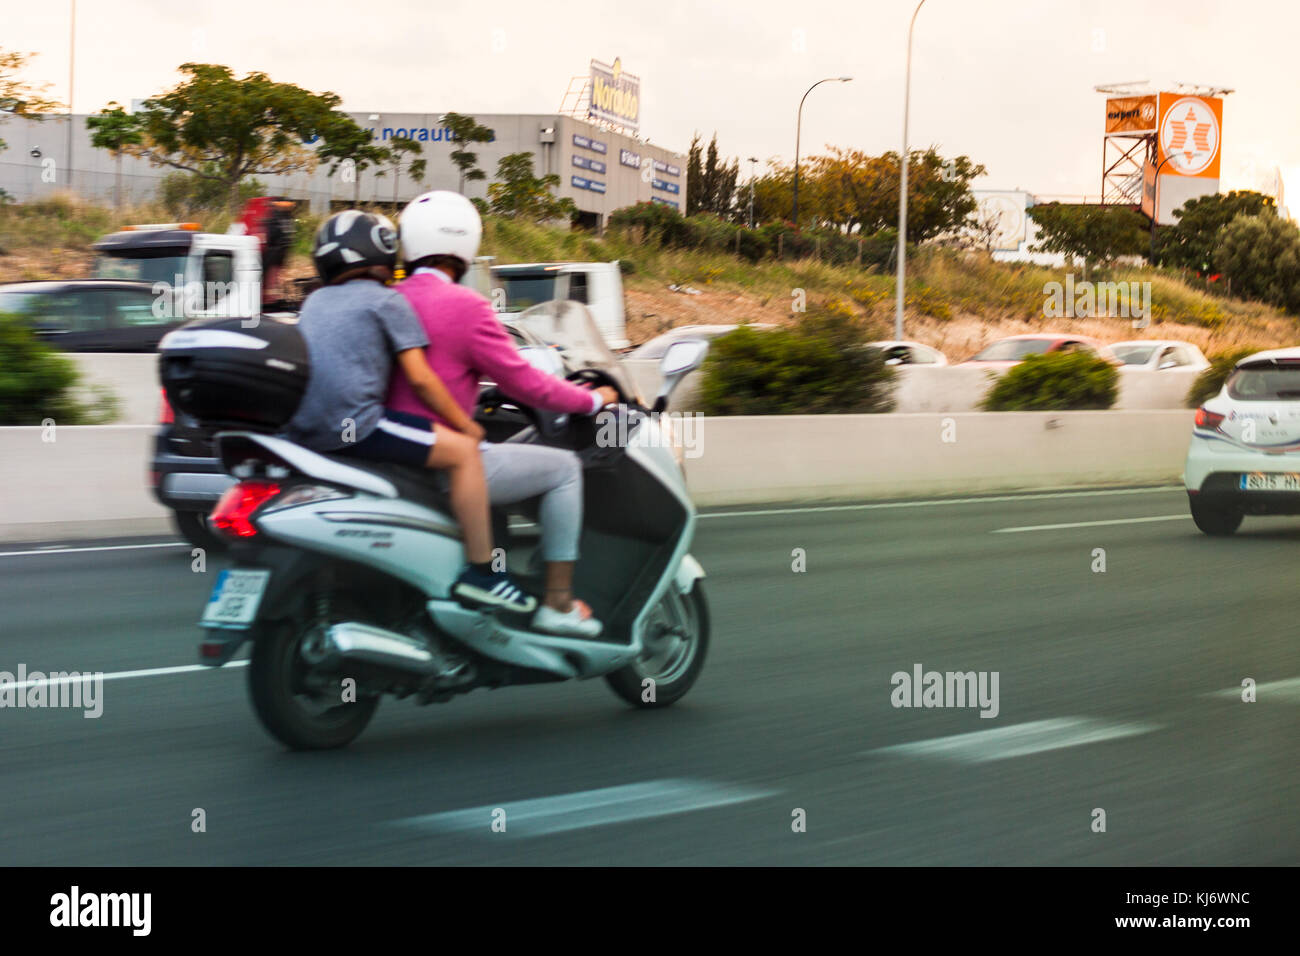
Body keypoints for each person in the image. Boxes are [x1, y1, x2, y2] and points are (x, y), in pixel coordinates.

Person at [388, 191, 618, 638]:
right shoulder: (468, 307)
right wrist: (593, 400)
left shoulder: (389, 299)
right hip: (444, 460)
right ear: (465, 244)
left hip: (395, 451)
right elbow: (526, 383)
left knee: (503, 452)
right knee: (565, 469)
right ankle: (558, 602)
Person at [283, 209, 536, 614]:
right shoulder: (387, 302)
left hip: (303, 432)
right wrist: (464, 426)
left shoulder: (313, 303)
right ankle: (483, 573)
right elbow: (420, 379)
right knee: (464, 454)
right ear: (382, 250)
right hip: (358, 427)